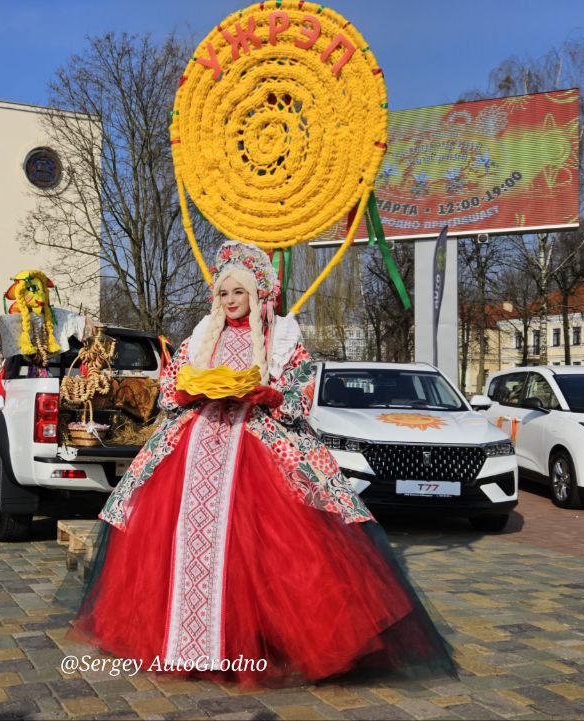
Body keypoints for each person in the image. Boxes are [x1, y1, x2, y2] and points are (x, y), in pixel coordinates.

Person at [70, 242, 456, 687]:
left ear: (257, 294)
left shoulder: (283, 335)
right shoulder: (200, 335)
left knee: (271, 546)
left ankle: (259, 642)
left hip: (256, 444)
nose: (230, 301)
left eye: (239, 292)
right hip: (194, 445)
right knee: (169, 536)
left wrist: (268, 394)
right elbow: (170, 386)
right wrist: (189, 391)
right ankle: (184, 641)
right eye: (223, 294)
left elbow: (302, 395)